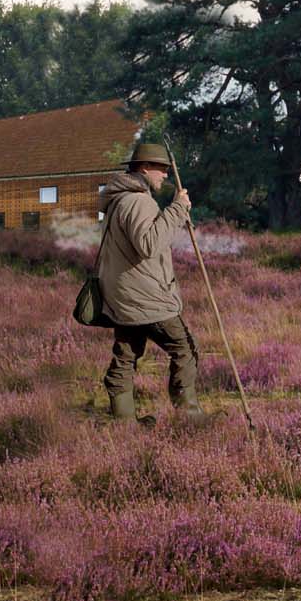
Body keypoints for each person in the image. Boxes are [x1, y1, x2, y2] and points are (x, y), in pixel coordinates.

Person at [97, 141, 205, 423]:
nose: (166, 176)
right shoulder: (138, 201)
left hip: (125, 296)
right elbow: (150, 243)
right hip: (145, 298)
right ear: (145, 168)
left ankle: (124, 424)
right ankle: (189, 419)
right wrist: (178, 209)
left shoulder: (121, 200)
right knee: (185, 349)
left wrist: (175, 212)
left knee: (125, 356)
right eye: (162, 169)